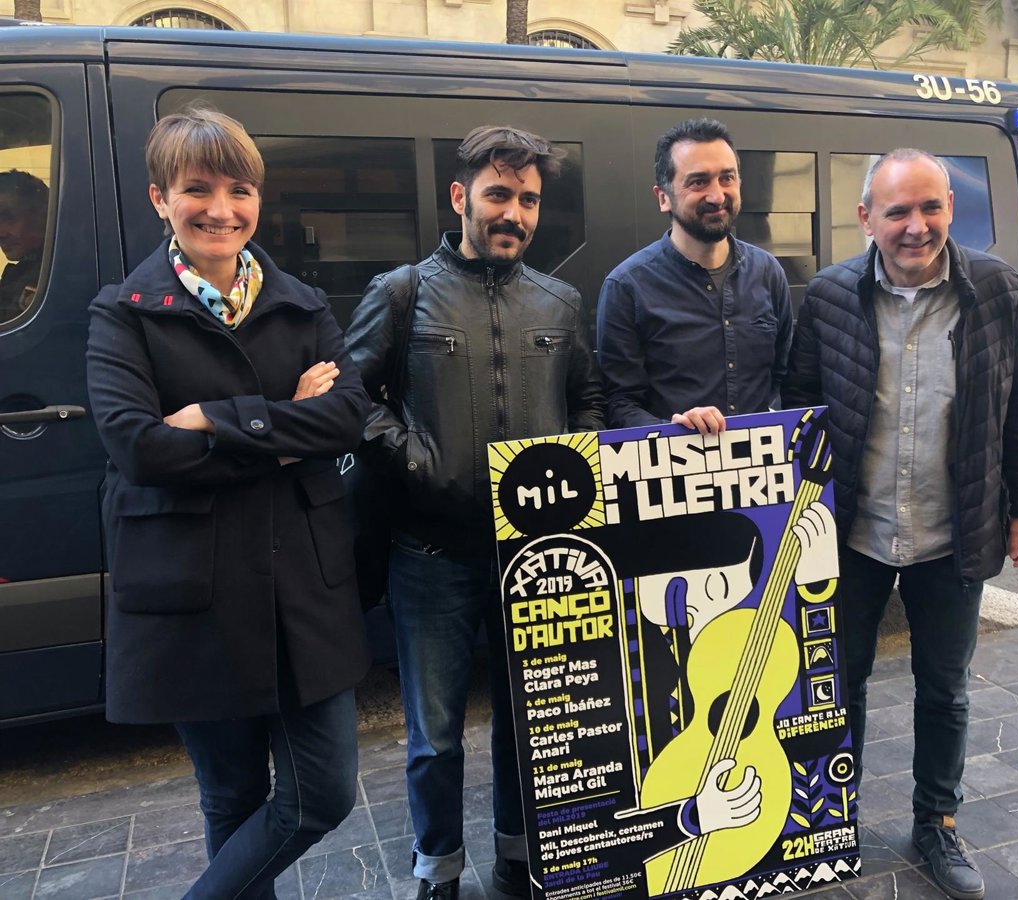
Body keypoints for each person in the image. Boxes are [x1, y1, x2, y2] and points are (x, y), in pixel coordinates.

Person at [85, 107, 372, 899]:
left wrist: (213, 418)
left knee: (322, 794)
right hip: (195, 594)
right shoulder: (122, 313)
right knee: (232, 797)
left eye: (239, 190)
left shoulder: (301, 303)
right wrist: (283, 429)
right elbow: (139, 449)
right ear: (160, 198)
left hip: (302, 590)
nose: (221, 209)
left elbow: (348, 416)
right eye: (197, 189)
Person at [782, 148, 1018, 900]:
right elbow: (798, 403)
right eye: (898, 210)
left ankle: (936, 823)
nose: (916, 226)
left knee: (945, 690)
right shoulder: (830, 295)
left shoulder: (998, 290)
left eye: (931, 207)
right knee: (838, 685)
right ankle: (830, 821)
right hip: (852, 534)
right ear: (866, 217)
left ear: (950, 210)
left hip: (953, 531)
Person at [345, 125, 605, 900]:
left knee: (533, 726)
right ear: (460, 196)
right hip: (430, 557)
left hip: (535, 561)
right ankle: (438, 870)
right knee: (434, 738)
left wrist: (571, 470)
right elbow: (349, 399)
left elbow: (589, 402)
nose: (514, 214)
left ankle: (519, 860)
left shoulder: (560, 301)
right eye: (499, 194)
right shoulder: (402, 293)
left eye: (528, 199)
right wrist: (414, 459)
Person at [596, 117, 792, 434]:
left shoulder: (768, 272)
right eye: (698, 182)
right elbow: (619, 404)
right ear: (663, 197)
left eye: (727, 178)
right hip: (674, 462)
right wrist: (672, 429)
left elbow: (785, 380)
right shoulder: (627, 287)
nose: (717, 196)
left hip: (762, 461)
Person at [0, 169, 48, 324]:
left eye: (9, 217)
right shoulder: (26, 271)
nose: (1, 233)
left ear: (43, 215)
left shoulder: (56, 276)